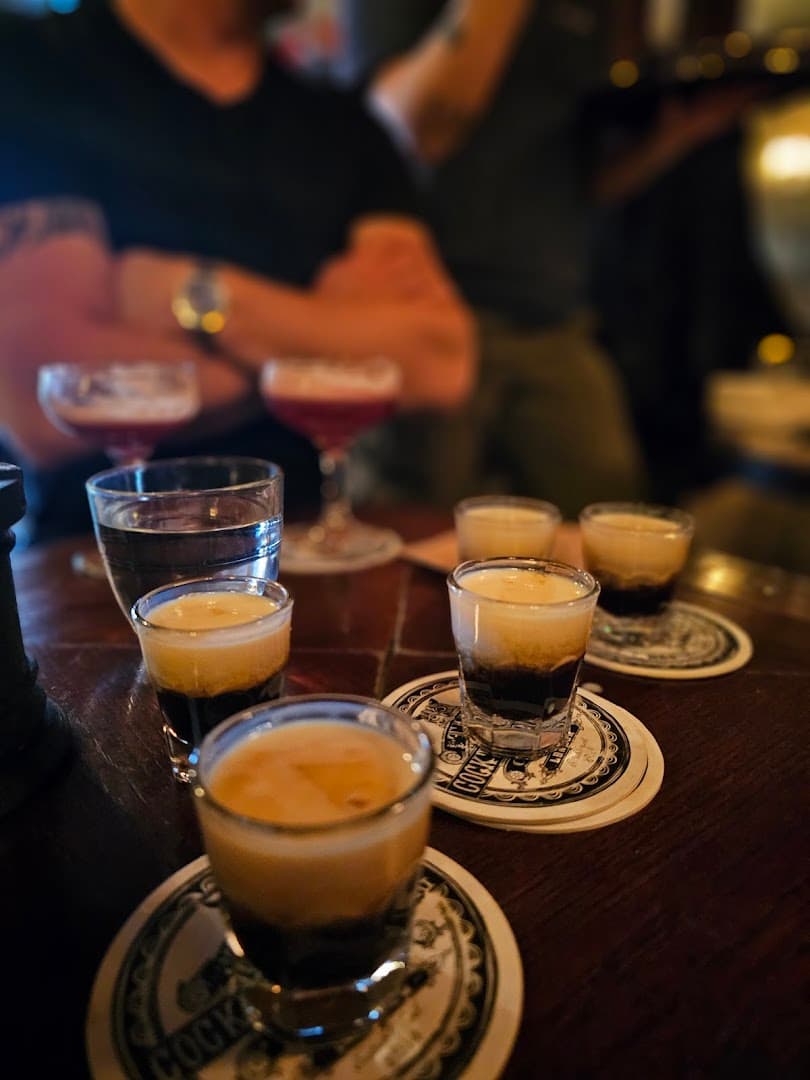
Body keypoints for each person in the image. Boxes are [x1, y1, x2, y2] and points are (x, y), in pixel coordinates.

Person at [0, 0, 475, 543]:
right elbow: (42, 398)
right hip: (94, 558)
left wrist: (192, 295)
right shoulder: (29, 68)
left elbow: (439, 363)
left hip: (302, 546)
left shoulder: (342, 125)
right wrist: (326, 336)